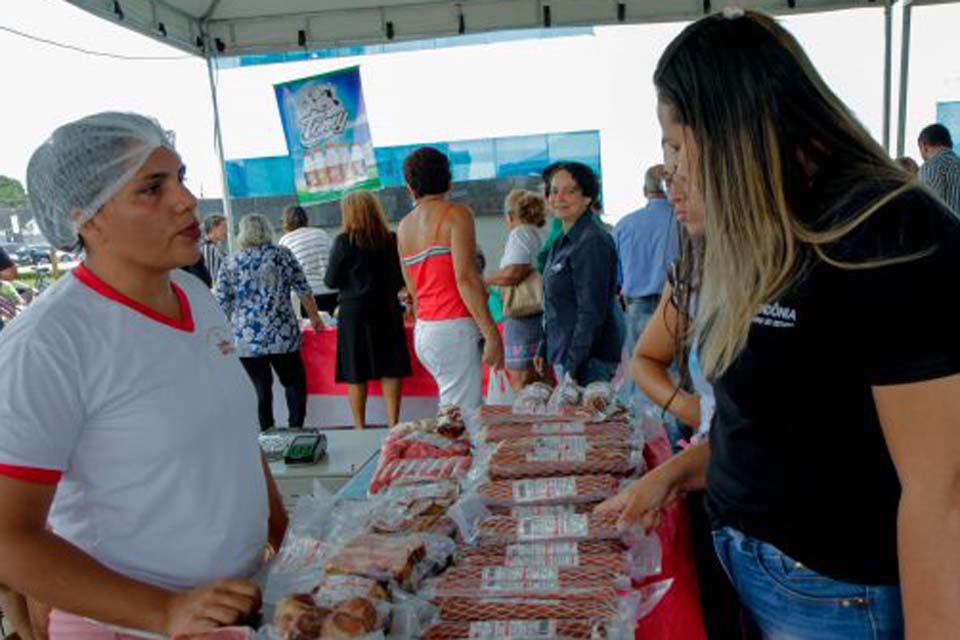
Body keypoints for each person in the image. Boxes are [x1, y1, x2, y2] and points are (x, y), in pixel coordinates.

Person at [600, 10, 960, 639]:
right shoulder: (756, 233)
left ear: (736, 132)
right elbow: (777, 427)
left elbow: (943, 496)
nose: (672, 174)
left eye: (679, 148)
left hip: (833, 592)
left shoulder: (888, 234)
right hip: (744, 561)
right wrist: (671, 474)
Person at [0, 112, 286, 638]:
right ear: (86, 218)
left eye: (180, 177)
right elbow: (8, 538)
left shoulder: (197, 296)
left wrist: (285, 537)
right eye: (152, 189)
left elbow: (234, 438)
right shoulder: (48, 344)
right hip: (130, 626)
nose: (185, 199)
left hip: (235, 607)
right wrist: (165, 610)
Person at [397, 147, 504, 411]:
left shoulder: (403, 227)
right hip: (454, 327)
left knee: (454, 411)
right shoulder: (457, 214)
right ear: (448, 181)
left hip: (426, 331)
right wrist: (491, 334)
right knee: (464, 418)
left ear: (410, 187)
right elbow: (465, 278)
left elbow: (412, 288)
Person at [217, 214, 323, 429]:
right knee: (293, 382)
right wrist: (315, 318)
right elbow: (303, 288)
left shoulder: (231, 261)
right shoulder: (282, 255)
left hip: (247, 337)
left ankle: (267, 433)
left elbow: (223, 301)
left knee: (260, 387)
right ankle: (296, 429)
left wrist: (222, 332)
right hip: (282, 333)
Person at [324, 191, 411, 429]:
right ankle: (394, 423)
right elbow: (401, 278)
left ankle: (359, 426)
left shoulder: (344, 241)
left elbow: (330, 281)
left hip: (354, 312)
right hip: (387, 308)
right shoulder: (391, 239)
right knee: (390, 366)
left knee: (356, 369)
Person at [534, 162, 623, 385]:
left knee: (584, 420)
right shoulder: (562, 241)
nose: (559, 198)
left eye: (570, 191)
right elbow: (554, 301)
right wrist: (544, 346)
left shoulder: (591, 241)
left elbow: (591, 311)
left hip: (587, 361)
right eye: (554, 191)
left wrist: (573, 368)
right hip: (566, 355)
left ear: (587, 197)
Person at [613, 164, 679, 405]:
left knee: (640, 374)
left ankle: (645, 435)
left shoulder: (625, 225)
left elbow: (616, 276)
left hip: (636, 307)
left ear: (644, 191)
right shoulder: (682, 221)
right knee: (674, 377)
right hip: (676, 305)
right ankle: (678, 439)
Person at [484, 189, 548, 392]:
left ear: (510, 215)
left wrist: (486, 279)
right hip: (541, 314)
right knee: (542, 379)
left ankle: (526, 421)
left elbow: (515, 272)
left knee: (522, 381)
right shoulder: (540, 233)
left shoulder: (520, 234)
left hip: (524, 317)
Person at [278, 205, 338, 315]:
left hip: (307, 299)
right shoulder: (322, 234)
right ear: (306, 218)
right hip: (332, 292)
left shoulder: (285, 241)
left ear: (286, 221)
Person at [917, 123, 960, 213]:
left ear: (924, 146)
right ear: (950, 144)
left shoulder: (930, 167)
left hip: (945, 226)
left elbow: (928, 207)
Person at [201, 213, 228, 285]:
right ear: (213, 228)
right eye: (223, 228)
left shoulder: (214, 247)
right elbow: (213, 278)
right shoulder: (209, 249)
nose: (226, 232)